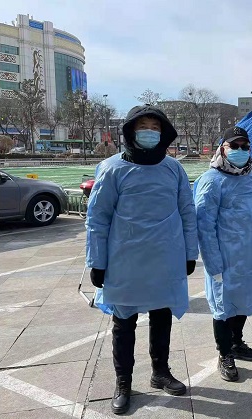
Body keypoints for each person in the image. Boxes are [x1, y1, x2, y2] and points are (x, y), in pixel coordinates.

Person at [86, 105, 198, 415]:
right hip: (125, 259)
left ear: (164, 133)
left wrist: (190, 253)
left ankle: (160, 372)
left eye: (155, 127)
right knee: (124, 323)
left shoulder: (174, 169)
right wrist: (97, 261)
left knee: (162, 315)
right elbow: (98, 217)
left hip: (165, 257)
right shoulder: (111, 168)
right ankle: (123, 382)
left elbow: (187, 212)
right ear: (130, 131)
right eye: (143, 126)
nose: (149, 132)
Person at [193, 126, 252, 382]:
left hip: (250, 256)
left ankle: (236, 342)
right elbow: (204, 226)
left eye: (244, 147)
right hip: (224, 257)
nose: (239, 150)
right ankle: (224, 353)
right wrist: (212, 262)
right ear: (222, 149)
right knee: (222, 307)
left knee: (243, 301)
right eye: (233, 146)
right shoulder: (211, 181)